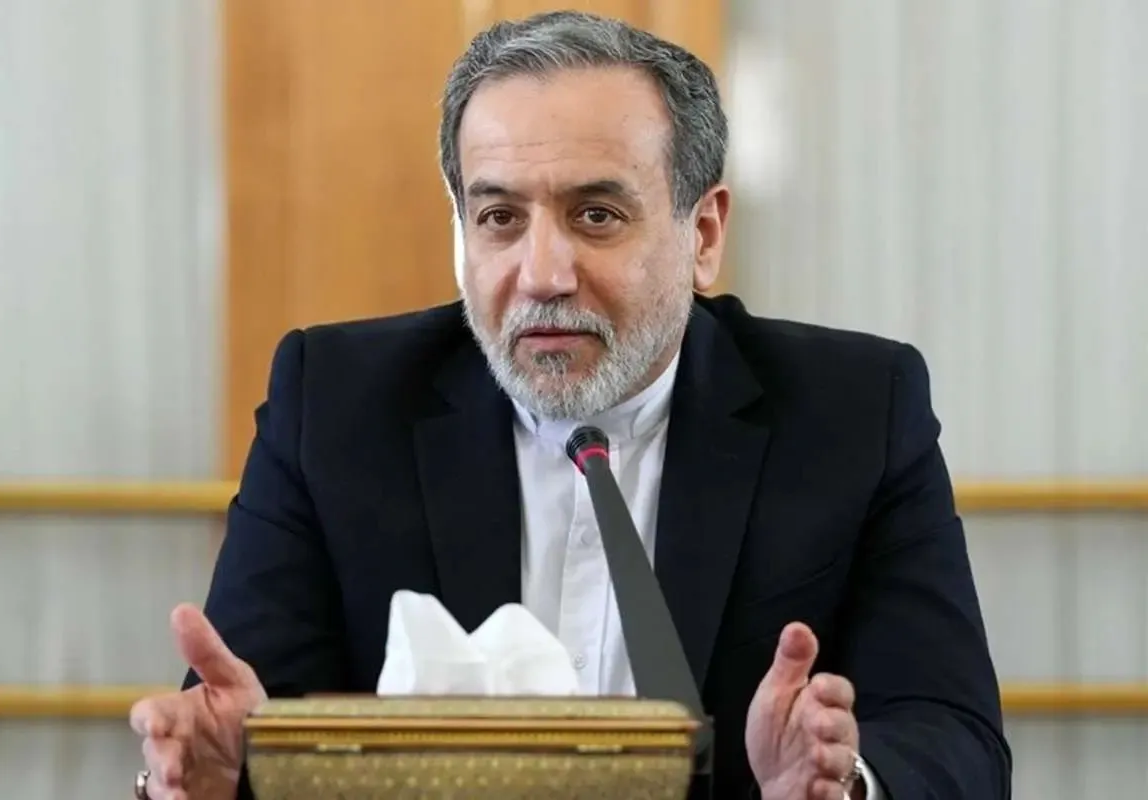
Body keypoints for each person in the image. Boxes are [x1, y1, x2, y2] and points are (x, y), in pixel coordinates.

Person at [129, 11, 1011, 800]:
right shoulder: (335, 406)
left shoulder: (855, 412)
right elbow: (249, 722)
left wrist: (839, 784)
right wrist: (219, 783)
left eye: (595, 216)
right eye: (500, 219)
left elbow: (953, 740)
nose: (543, 275)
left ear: (703, 235)